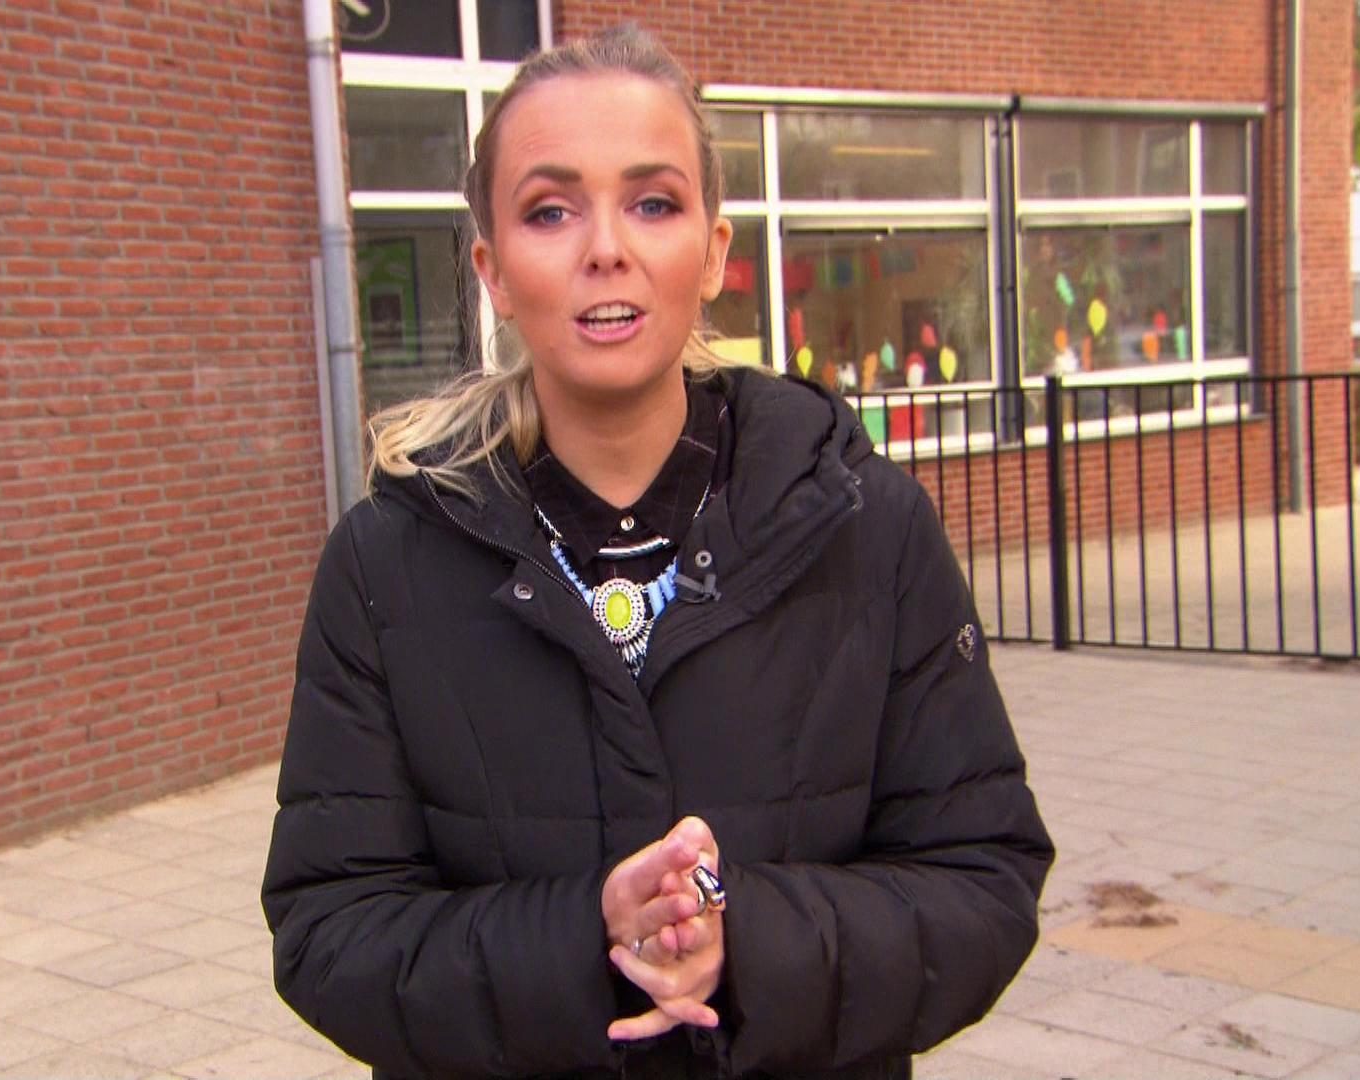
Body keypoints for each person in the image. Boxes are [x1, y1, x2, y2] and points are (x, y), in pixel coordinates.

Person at [262, 25, 1052, 1080]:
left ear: (715, 252)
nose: (605, 248)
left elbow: (983, 884)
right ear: (493, 272)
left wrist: (749, 942)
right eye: (550, 211)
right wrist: (585, 936)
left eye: (652, 203)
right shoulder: (385, 565)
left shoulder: (871, 528)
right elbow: (331, 932)